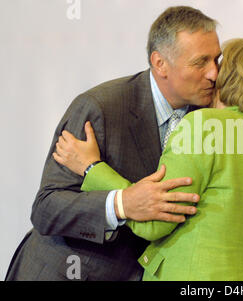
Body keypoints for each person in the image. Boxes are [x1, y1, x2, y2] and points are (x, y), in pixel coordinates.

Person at [6, 6, 222, 281]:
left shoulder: (212, 118)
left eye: (217, 59)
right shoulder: (99, 108)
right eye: (200, 62)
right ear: (160, 63)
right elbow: (47, 209)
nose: (214, 73)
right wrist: (121, 204)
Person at [52, 37, 243, 280]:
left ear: (228, 76)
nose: (212, 73)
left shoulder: (204, 125)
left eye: (219, 65)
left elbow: (154, 221)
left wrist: (92, 168)